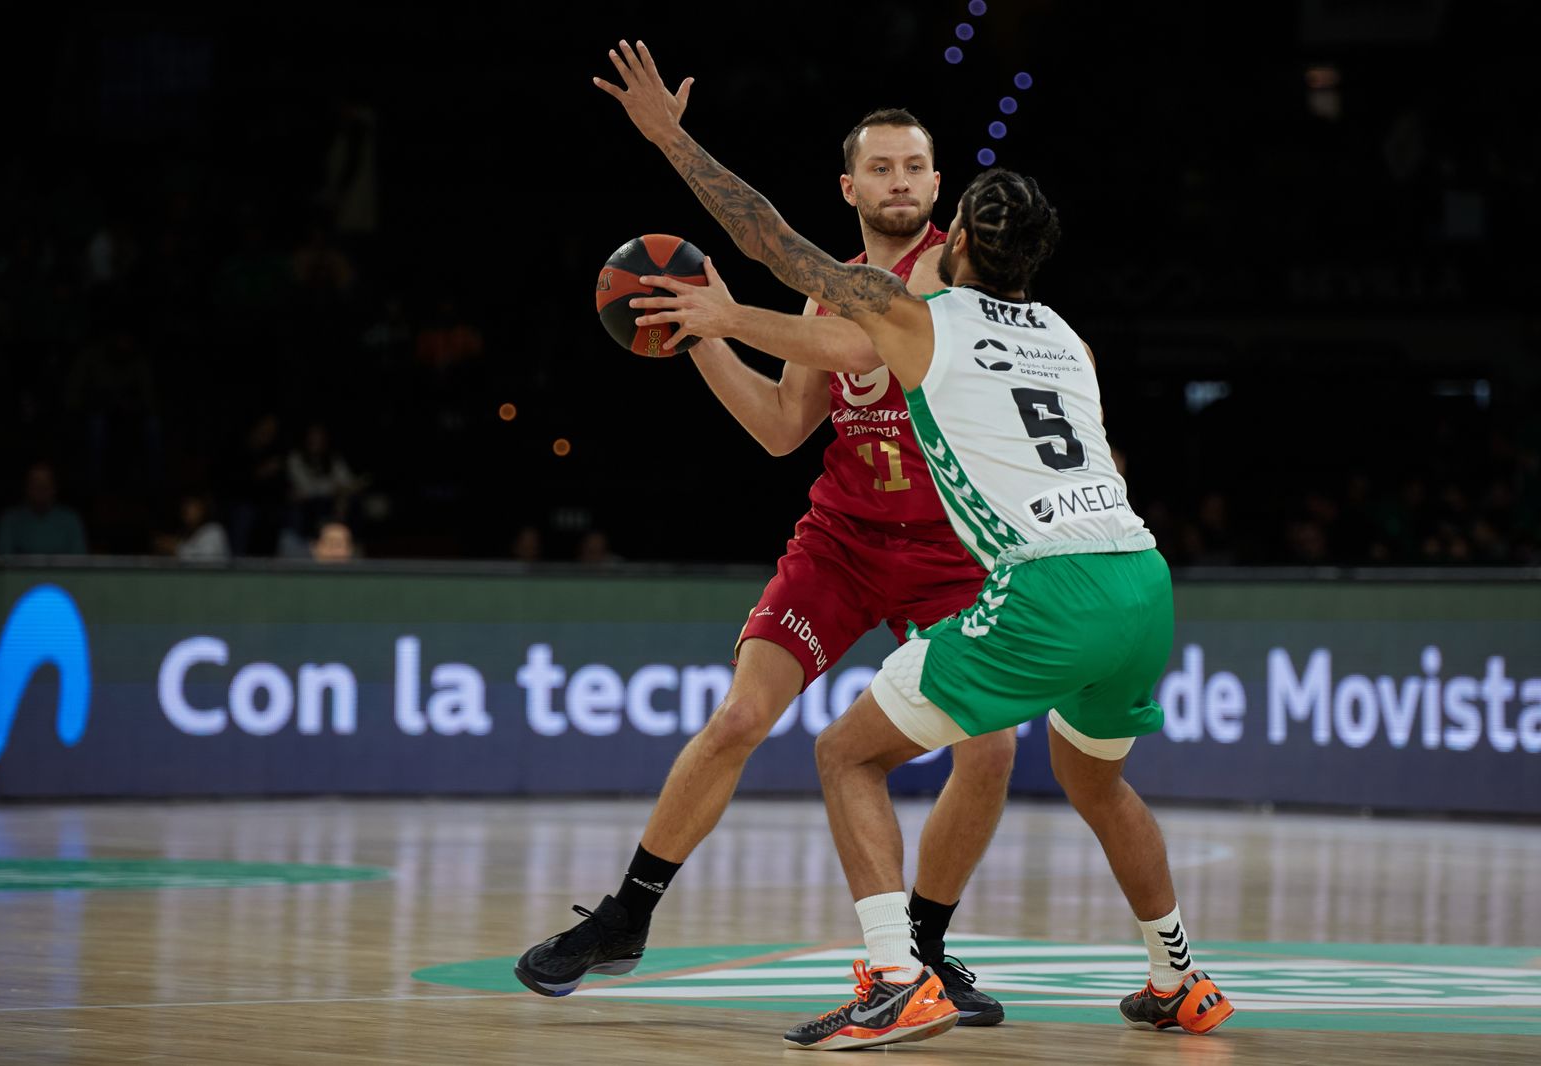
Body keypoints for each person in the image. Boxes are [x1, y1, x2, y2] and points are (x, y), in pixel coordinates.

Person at [591, 41, 1235, 1050]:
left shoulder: (915, 313)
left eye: (924, 180)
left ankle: (900, 974)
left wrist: (706, 275)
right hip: (1137, 576)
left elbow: (768, 242)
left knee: (845, 753)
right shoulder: (1065, 335)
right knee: (1097, 781)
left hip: (1033, 586)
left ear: (954, 235)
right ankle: (1181, 980)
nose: (904, 189)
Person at [514, 103, 1016, 1027]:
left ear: (938, 186)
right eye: (883, 168)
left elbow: (865, 339)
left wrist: (723, 299)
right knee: (742, 714)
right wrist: (700, 338)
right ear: (852, 188)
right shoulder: (825, 290)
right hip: (845, 539)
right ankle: (627, 914)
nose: (900, 181)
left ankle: (926, 951)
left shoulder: (960, 268)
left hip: (952, 549)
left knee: (991, 747)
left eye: (916, 167)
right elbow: (785, 429)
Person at [0, 462, 87, 556]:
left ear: (54, 487)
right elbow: (4, 562)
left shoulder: (71, 520)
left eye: (46, 483)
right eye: (35, 482)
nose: (41, 488)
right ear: (26, 487)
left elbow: (79, 561)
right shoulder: (10, 520)